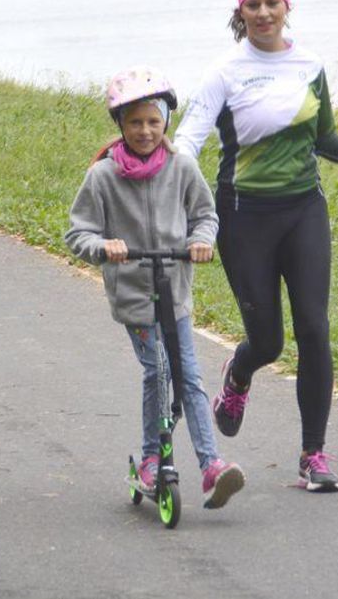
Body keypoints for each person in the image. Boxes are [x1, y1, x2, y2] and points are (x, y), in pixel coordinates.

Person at [173, 0, 338, 492]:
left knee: (315, 329)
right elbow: (188, 141)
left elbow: (323, 136)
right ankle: (240, 372)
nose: (265, 13)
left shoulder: (309, 64)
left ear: (287, 7)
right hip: (243, 216)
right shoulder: (224, 71)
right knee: (269, 341)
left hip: (303, 211)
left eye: (273, 3)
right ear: (241, 12)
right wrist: (164, 183)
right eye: (254, 5)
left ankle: (313, 455)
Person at [65, 66, 245, 510]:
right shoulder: (104, 176)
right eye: (134, 123)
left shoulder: (182, 167)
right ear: (120, 127)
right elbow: (77, 233)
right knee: (157, 371)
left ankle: (212, 467)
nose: (145, 131)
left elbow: (205, 215)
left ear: (166, 121)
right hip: (133, 293)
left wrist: (201, 241)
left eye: (153, 121)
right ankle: (150, 459)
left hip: (175, 290)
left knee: (189, 376)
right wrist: (103, 247)